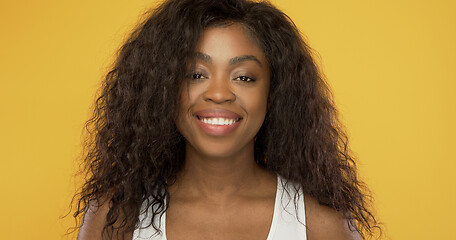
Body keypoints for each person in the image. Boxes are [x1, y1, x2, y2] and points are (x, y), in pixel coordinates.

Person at [73, 0, 380, 239]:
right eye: (196, 74)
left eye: (244, 77)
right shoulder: (115, 216)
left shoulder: (318, 223)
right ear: (163, 89)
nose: (219, 94)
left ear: (274, 93)